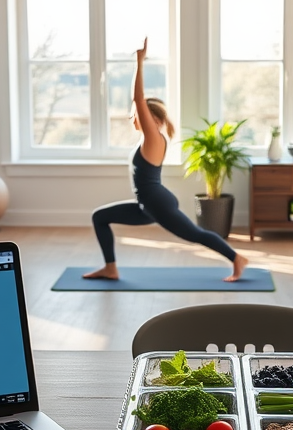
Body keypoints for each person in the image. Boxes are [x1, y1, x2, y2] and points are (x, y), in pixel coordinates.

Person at [84, 38, 248, 282]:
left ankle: (236, 259)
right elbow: (138, 103)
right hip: (147, 205)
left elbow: (138, 99)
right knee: (100, 216)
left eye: (136, 115)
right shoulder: (150, 140)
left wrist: (139, 62)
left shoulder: (154, 138)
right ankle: (110, 268)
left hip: (157, 204)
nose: (132, 118)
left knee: (195, 234)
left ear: (151, 118)